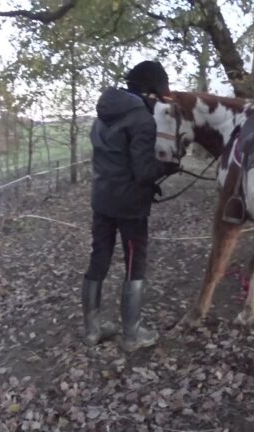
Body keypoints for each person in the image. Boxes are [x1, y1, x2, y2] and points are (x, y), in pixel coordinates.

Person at [81, 60, 179, 352]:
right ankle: (132, 334)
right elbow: (143, 171)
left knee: (99, 259)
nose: (157, 101)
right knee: (135, 264)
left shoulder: (102, 116)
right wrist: (167, 167)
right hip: (130, 207)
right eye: (157, 95)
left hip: (102, 199)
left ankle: (92, 330)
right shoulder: (141, 120)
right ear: (149, 91)